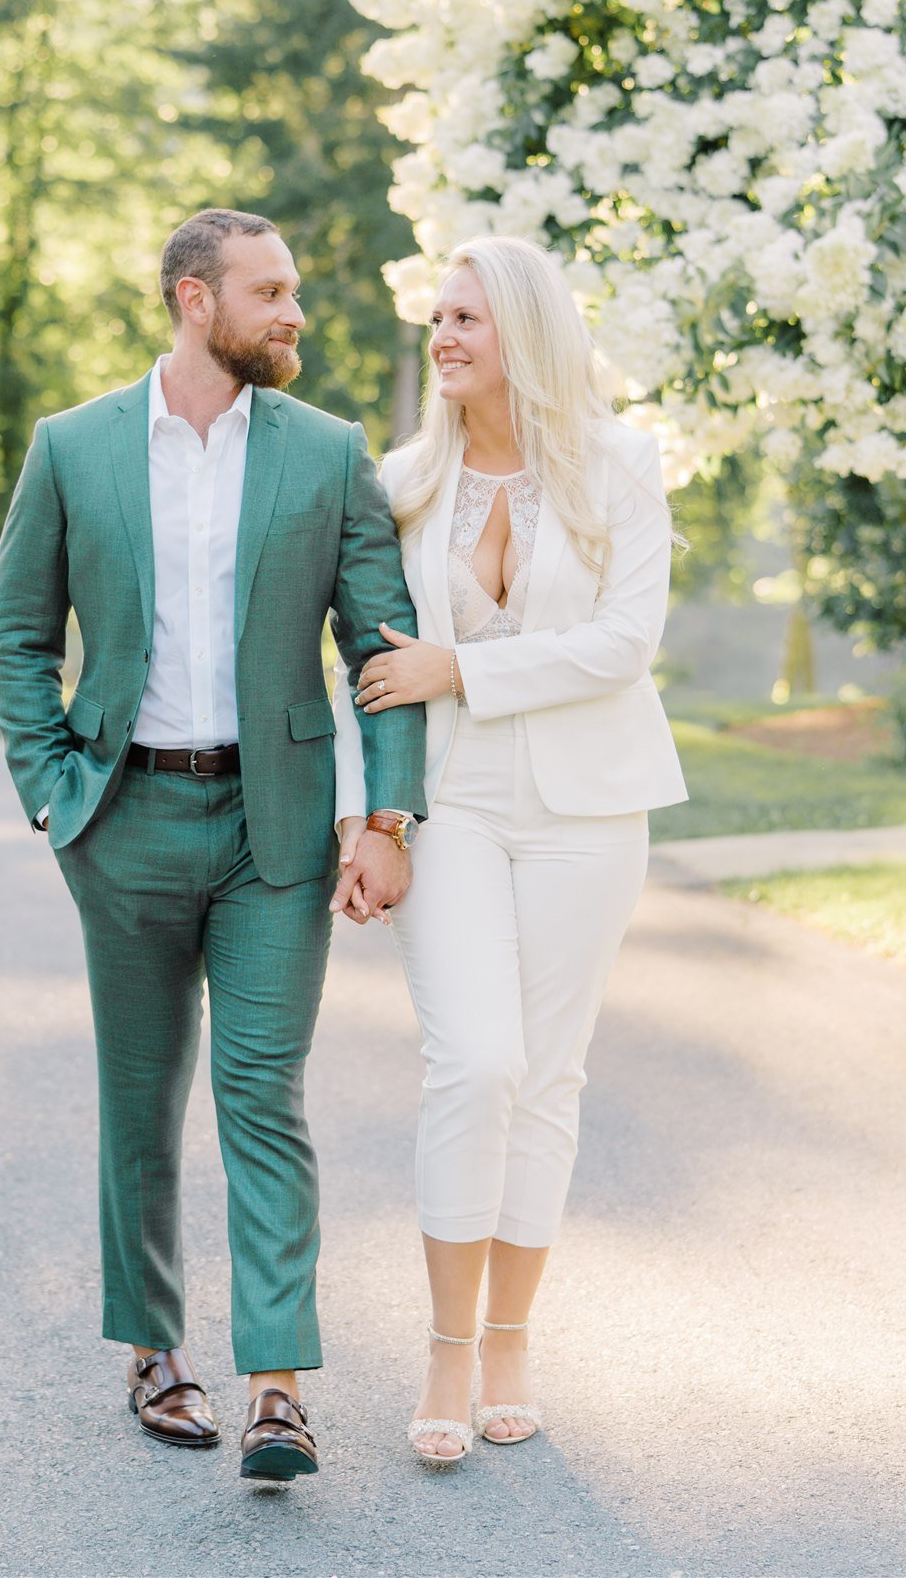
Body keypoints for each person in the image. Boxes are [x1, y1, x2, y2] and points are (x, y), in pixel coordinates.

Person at [0, 208, 427, 1484]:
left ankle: (278, 1386)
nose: (296, 313)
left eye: (293, 290)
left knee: (261, 1095)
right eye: (272, 291)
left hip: (271, 829)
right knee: (139, 1103)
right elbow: (20, 632)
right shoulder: (72, 447)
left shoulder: (329, 451)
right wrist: (50, 791)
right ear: (196, 299)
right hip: (119, 819)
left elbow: (383, 651)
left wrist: (384, 814)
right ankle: (154, 1350)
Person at [330, 233, 687, 1467]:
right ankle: (442, 1345)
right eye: (437, 317)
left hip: (591, 811)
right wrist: (367, 819)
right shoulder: (403, 479)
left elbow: (621, 643)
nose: (443, 337)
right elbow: (366, 667)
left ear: (524, 331)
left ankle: (511, 1339)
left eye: (467, 317)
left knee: (548, 1076)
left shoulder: (621, 467)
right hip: (456, 806)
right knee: (474, 1061)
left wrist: (463, 667)